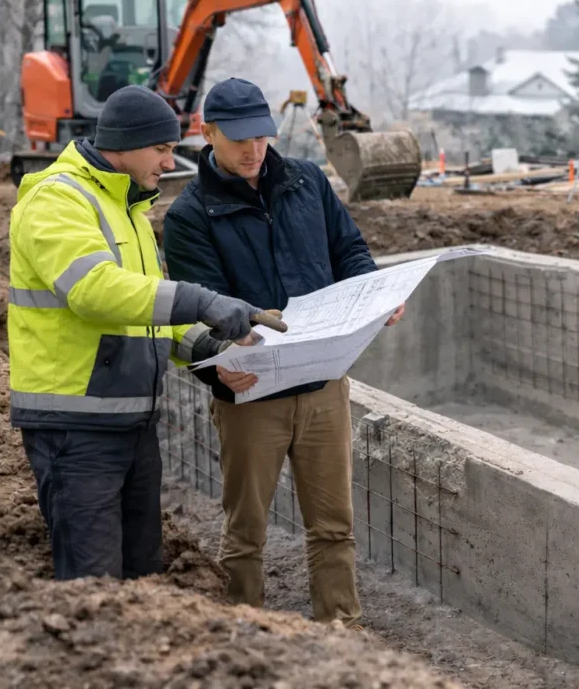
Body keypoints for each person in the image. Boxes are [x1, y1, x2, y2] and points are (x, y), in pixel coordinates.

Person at [161, 77, 402, 626]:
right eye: (240, 138)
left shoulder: (307, 182)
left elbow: (349, 250)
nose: (253, 150)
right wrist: (221, 372)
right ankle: (248, 636)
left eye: (263, 137)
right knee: (246, 531)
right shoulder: (190, 216)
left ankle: (341, 634)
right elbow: (202, 309)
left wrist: (377, 295)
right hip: (253, 394)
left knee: (334, 525)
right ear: (209, 133)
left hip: (322, 386)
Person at [7, 84, 269, 581]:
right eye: (163, 149)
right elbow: (93, 291)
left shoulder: (128, 209)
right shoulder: (57, 199)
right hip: (75, 428)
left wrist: (212, 351)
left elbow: (146, 311)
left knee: (142, 578)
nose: (170, 163)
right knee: (94, 583)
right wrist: (204, 301)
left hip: (131, 422)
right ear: (125, 144)